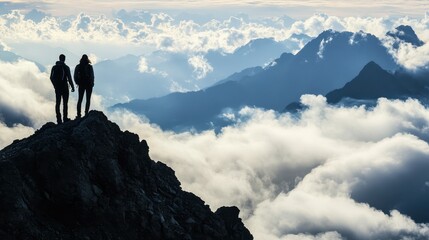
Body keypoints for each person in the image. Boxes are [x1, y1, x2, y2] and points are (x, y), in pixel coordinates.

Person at [50, 54, 75, 124]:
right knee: (65, 103)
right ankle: (65, 118)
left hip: (57, 88)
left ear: (59, 58)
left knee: (58, 103)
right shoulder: (66, 67)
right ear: (64, 59)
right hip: (65, 87)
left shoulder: (54, 67)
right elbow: (69, 78)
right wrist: (72, 87)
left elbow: (51, 77)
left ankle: (58, 119)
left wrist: (55, 85)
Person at [74, 54, 94, 118]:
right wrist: (92, 83)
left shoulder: (78, 66)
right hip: (89, 84)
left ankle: (78, 114)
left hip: (81, 84)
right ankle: (86, 113)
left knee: (80, 99)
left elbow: (75, 76)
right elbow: (92, 76)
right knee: (88, 99)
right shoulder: (90, 67)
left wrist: (77, 82)